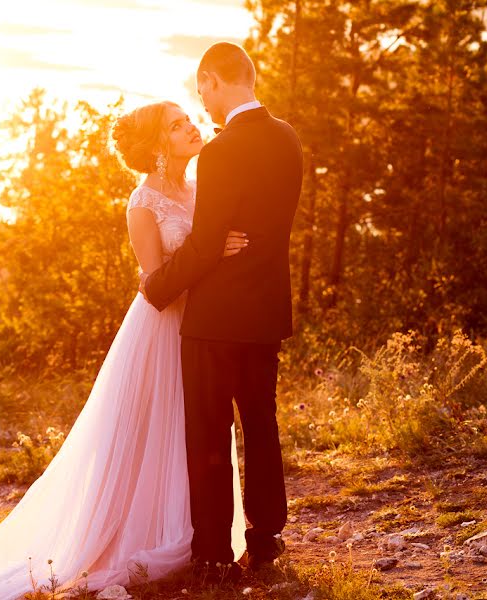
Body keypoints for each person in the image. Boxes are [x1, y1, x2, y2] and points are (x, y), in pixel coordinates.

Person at [0, 99, 249, 599]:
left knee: (193, 429)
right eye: (178, 125)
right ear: (159, 144)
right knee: (150, 429)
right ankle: (137, 536)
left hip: (204, 327)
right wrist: (208, 256)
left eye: (189, 120)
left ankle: (191, 529)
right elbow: (154, 282)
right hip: (161, 328)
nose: (192, 128)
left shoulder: (201, 190)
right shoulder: (143, 203)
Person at [141, 42, 303, 580]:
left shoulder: (220, 151)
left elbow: (208, 244)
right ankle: (265, 537)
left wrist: (156, 289)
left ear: (214, 80)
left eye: (202, 91)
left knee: (208, 433)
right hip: (264, 314)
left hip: (212, 320)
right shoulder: (287, 139)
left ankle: (212, 552)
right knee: (261, 424)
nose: (202, 106)